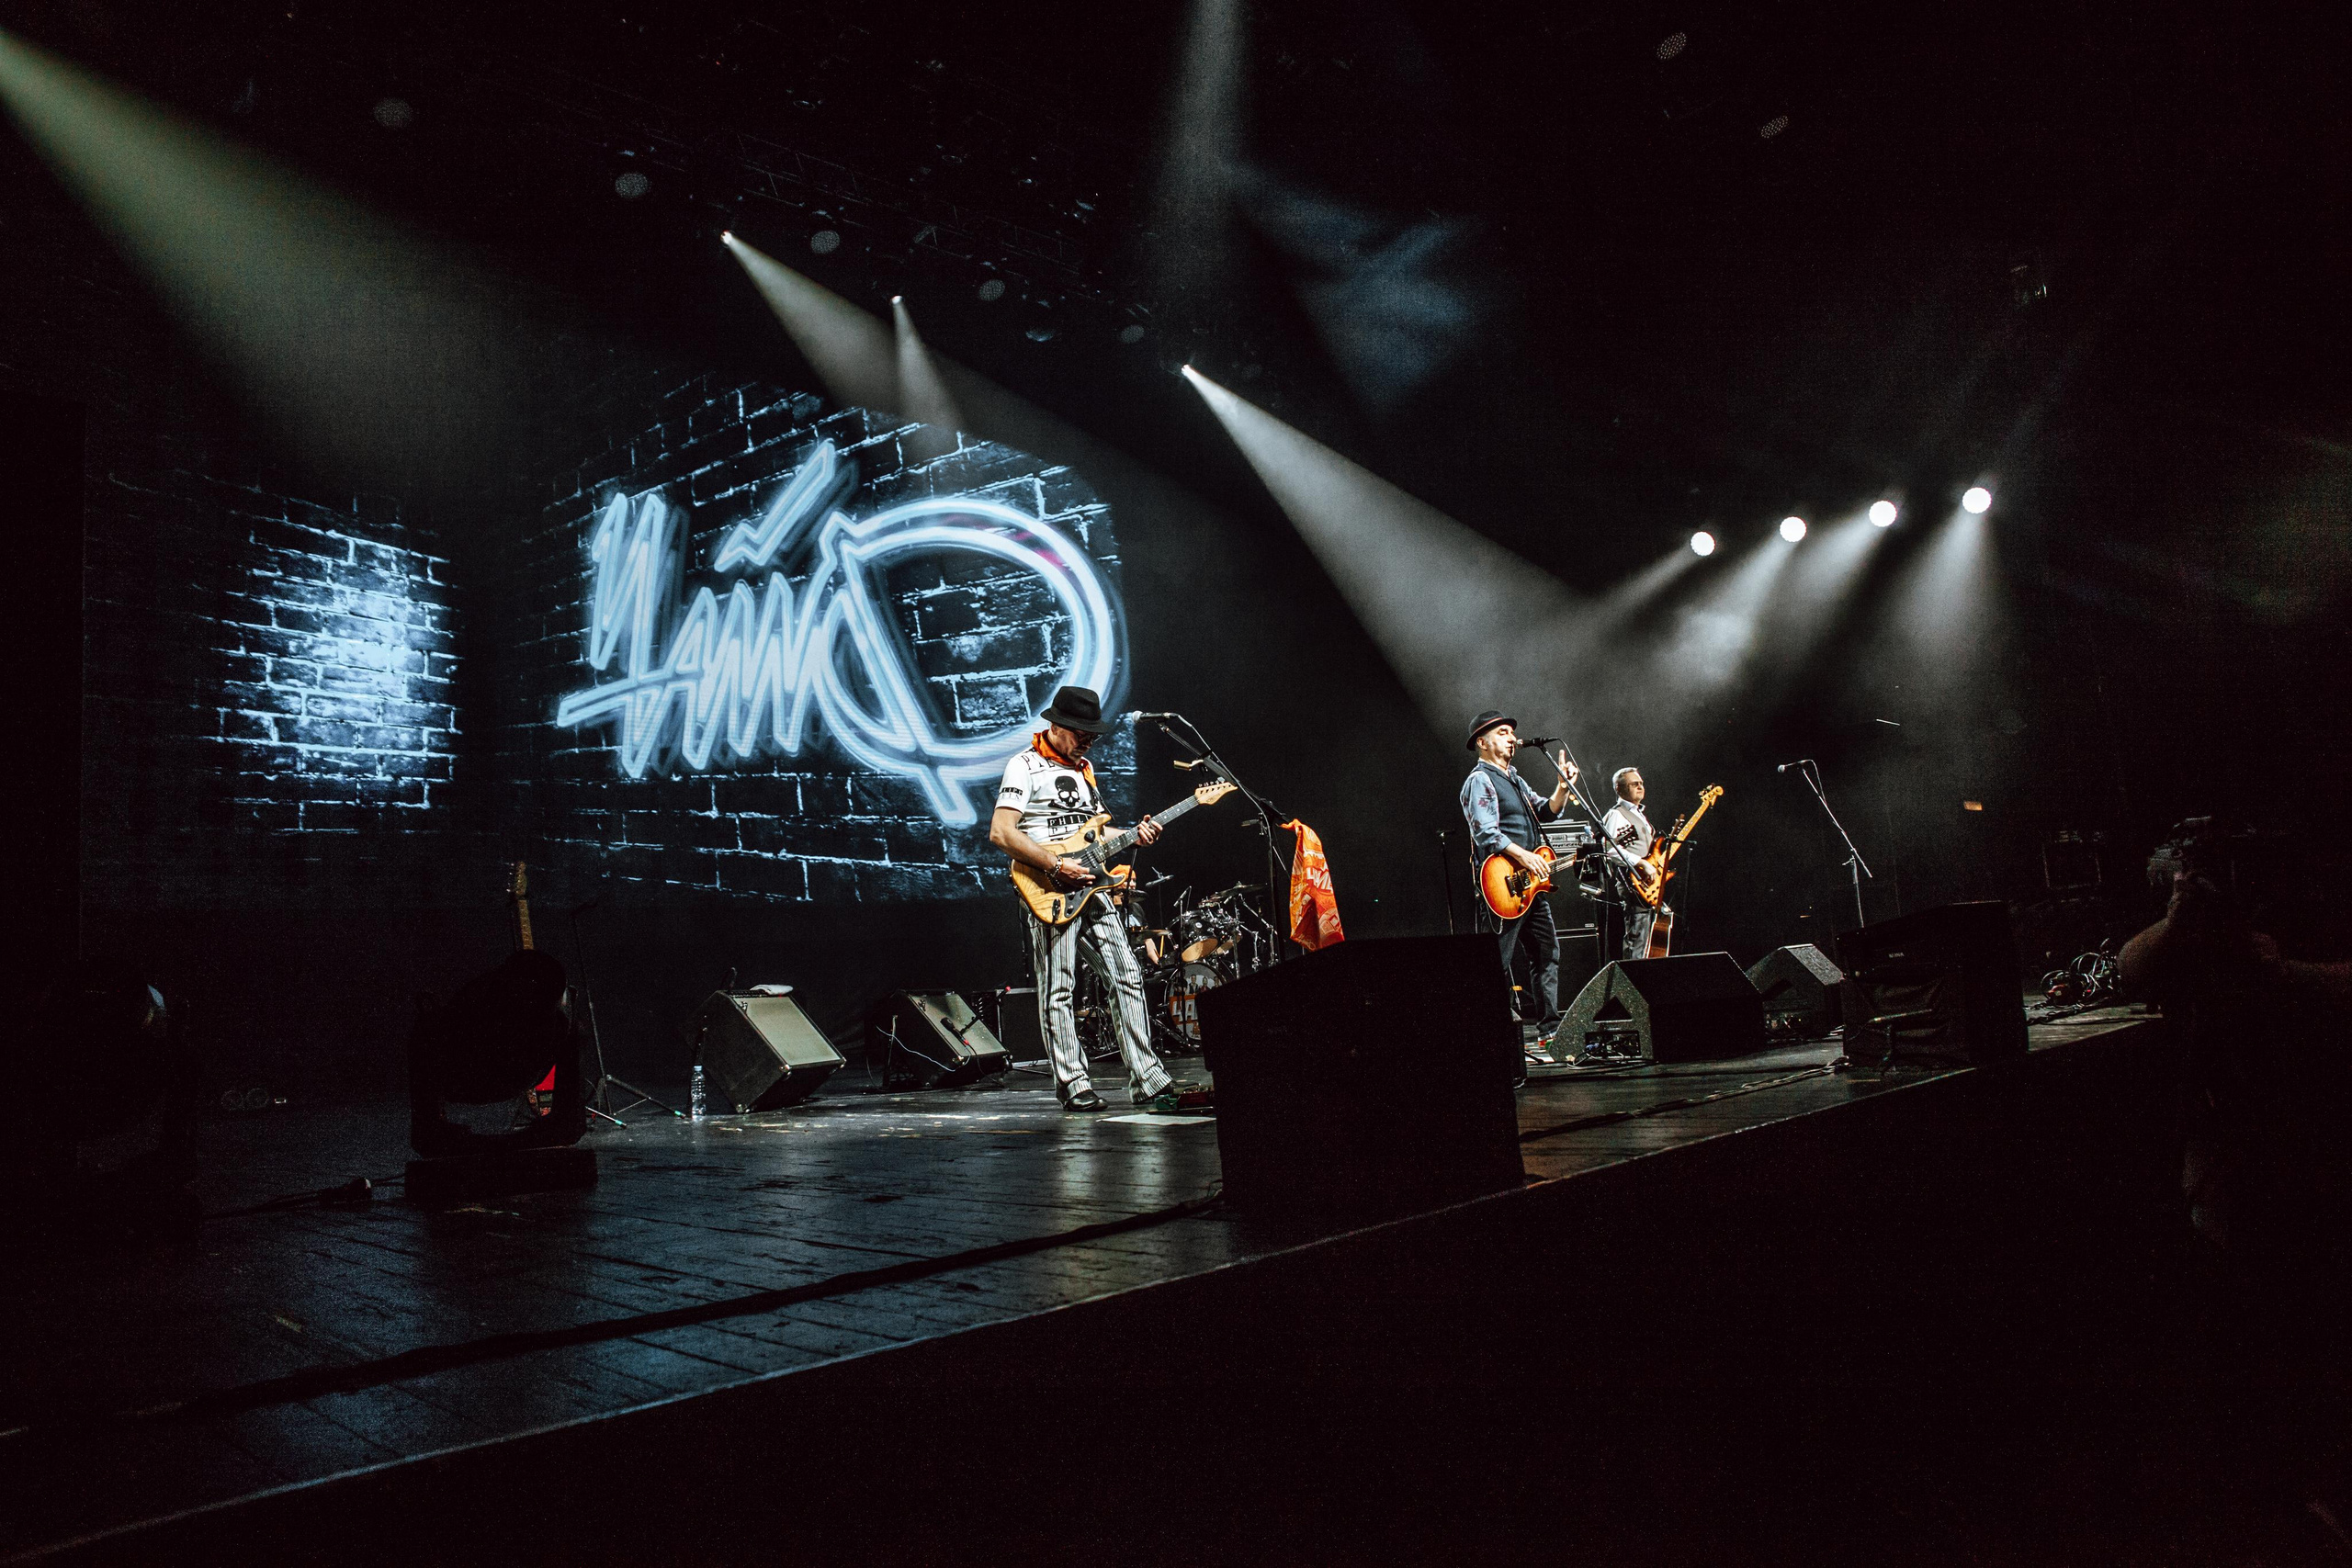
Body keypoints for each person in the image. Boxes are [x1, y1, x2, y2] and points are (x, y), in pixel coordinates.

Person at [989, 685, 1182, 1113]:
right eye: (1081, 733)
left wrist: (1135, 834)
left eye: (1092, 735)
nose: (1087, 741)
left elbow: (1094, 834)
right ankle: (1073, 1083)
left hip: (1092, 889)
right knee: (1059, 988)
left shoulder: (1084, 771)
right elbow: (1002, 832)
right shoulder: (1023, 766)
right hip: (1049, 890)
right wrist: (1056, 867)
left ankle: (1148, 1080)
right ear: (1056, 726)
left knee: (1126, 976)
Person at [1459, 711, 1578, 1044]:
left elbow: (1546, 811)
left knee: (1546, 952)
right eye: (1502, 732)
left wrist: (1563, 788)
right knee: (1496, 962)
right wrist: (1524, 855)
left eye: (1512, 732)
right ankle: (1489, 1034)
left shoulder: (1514, 778)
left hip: (1530, 886)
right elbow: (1486, 832)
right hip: (1501, 886)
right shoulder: (1480, 780)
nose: (1512, 737)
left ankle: (1550, 1029)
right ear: (1482, 743)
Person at [1602, 767, 1661, 961]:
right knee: (1636, 940)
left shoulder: (1640, 814)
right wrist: (1640, 863)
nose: (1640, 787)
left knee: (1648, 940)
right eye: (1634, 784)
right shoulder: (1616, 815)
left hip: (1648, 885)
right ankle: (1631, 986)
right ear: (1619, 789)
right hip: (1633, 885)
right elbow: (1609, 850)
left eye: (1641, 783)